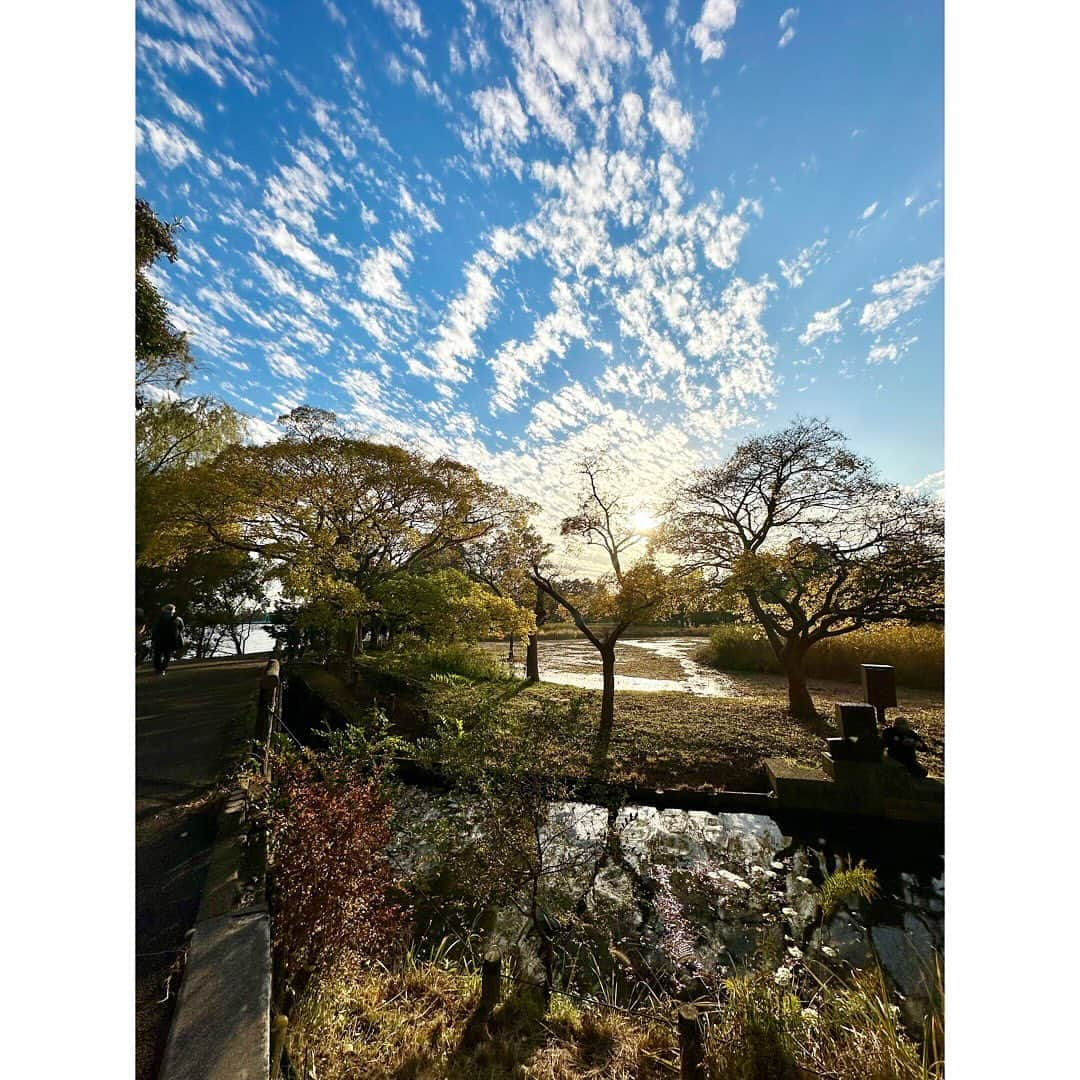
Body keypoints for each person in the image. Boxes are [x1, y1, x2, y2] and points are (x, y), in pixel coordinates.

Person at [151, 604, 185, 676]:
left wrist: (153, 639)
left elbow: (154, 630)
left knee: (161, 655)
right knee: (164, 655)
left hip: (164, 640)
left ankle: (160, 669)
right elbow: (181, 629)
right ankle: (161, 669)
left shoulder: (160, 619)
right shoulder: (177, 619)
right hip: (166, 640)